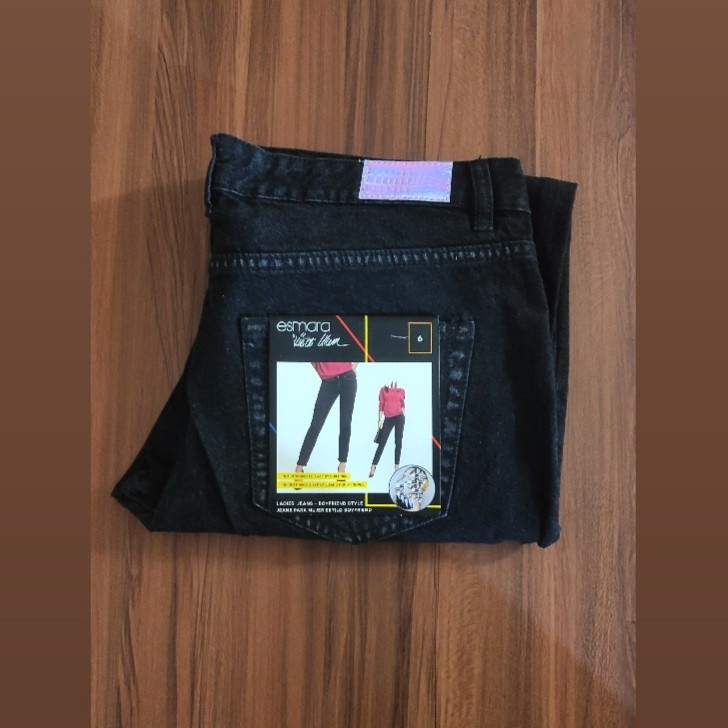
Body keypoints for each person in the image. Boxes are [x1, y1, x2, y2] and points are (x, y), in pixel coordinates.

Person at [295, 362, 358, 473]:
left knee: (345, 423)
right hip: (328, 382)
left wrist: (353, 366)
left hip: (348, 378)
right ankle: (300, 466)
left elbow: (359, 352)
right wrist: (322, 373)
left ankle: (342, 465)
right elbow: (311, 357)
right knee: (316, 425)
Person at [369, 380, 405, 477]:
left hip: (399, 417)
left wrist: (404, 416)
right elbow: (381, 405)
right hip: (388, 418)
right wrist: (379, 419)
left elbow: (402, 404)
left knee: (398, 442)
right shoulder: (383, 390)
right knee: (382, 443)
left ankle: (396, 468)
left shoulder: (401, 390)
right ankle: (373, 466)